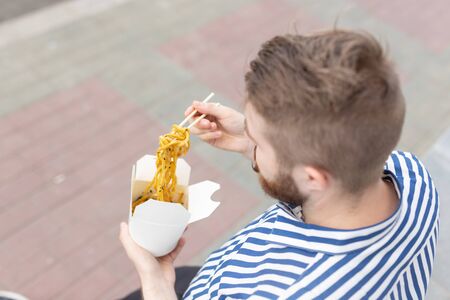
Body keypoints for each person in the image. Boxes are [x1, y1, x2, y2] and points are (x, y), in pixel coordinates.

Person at [120, 29, 439, 299]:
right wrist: (252, 144)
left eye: (257, 141)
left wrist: (156, 286)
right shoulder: (412, 177)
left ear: (313, 178)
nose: (248, 137)